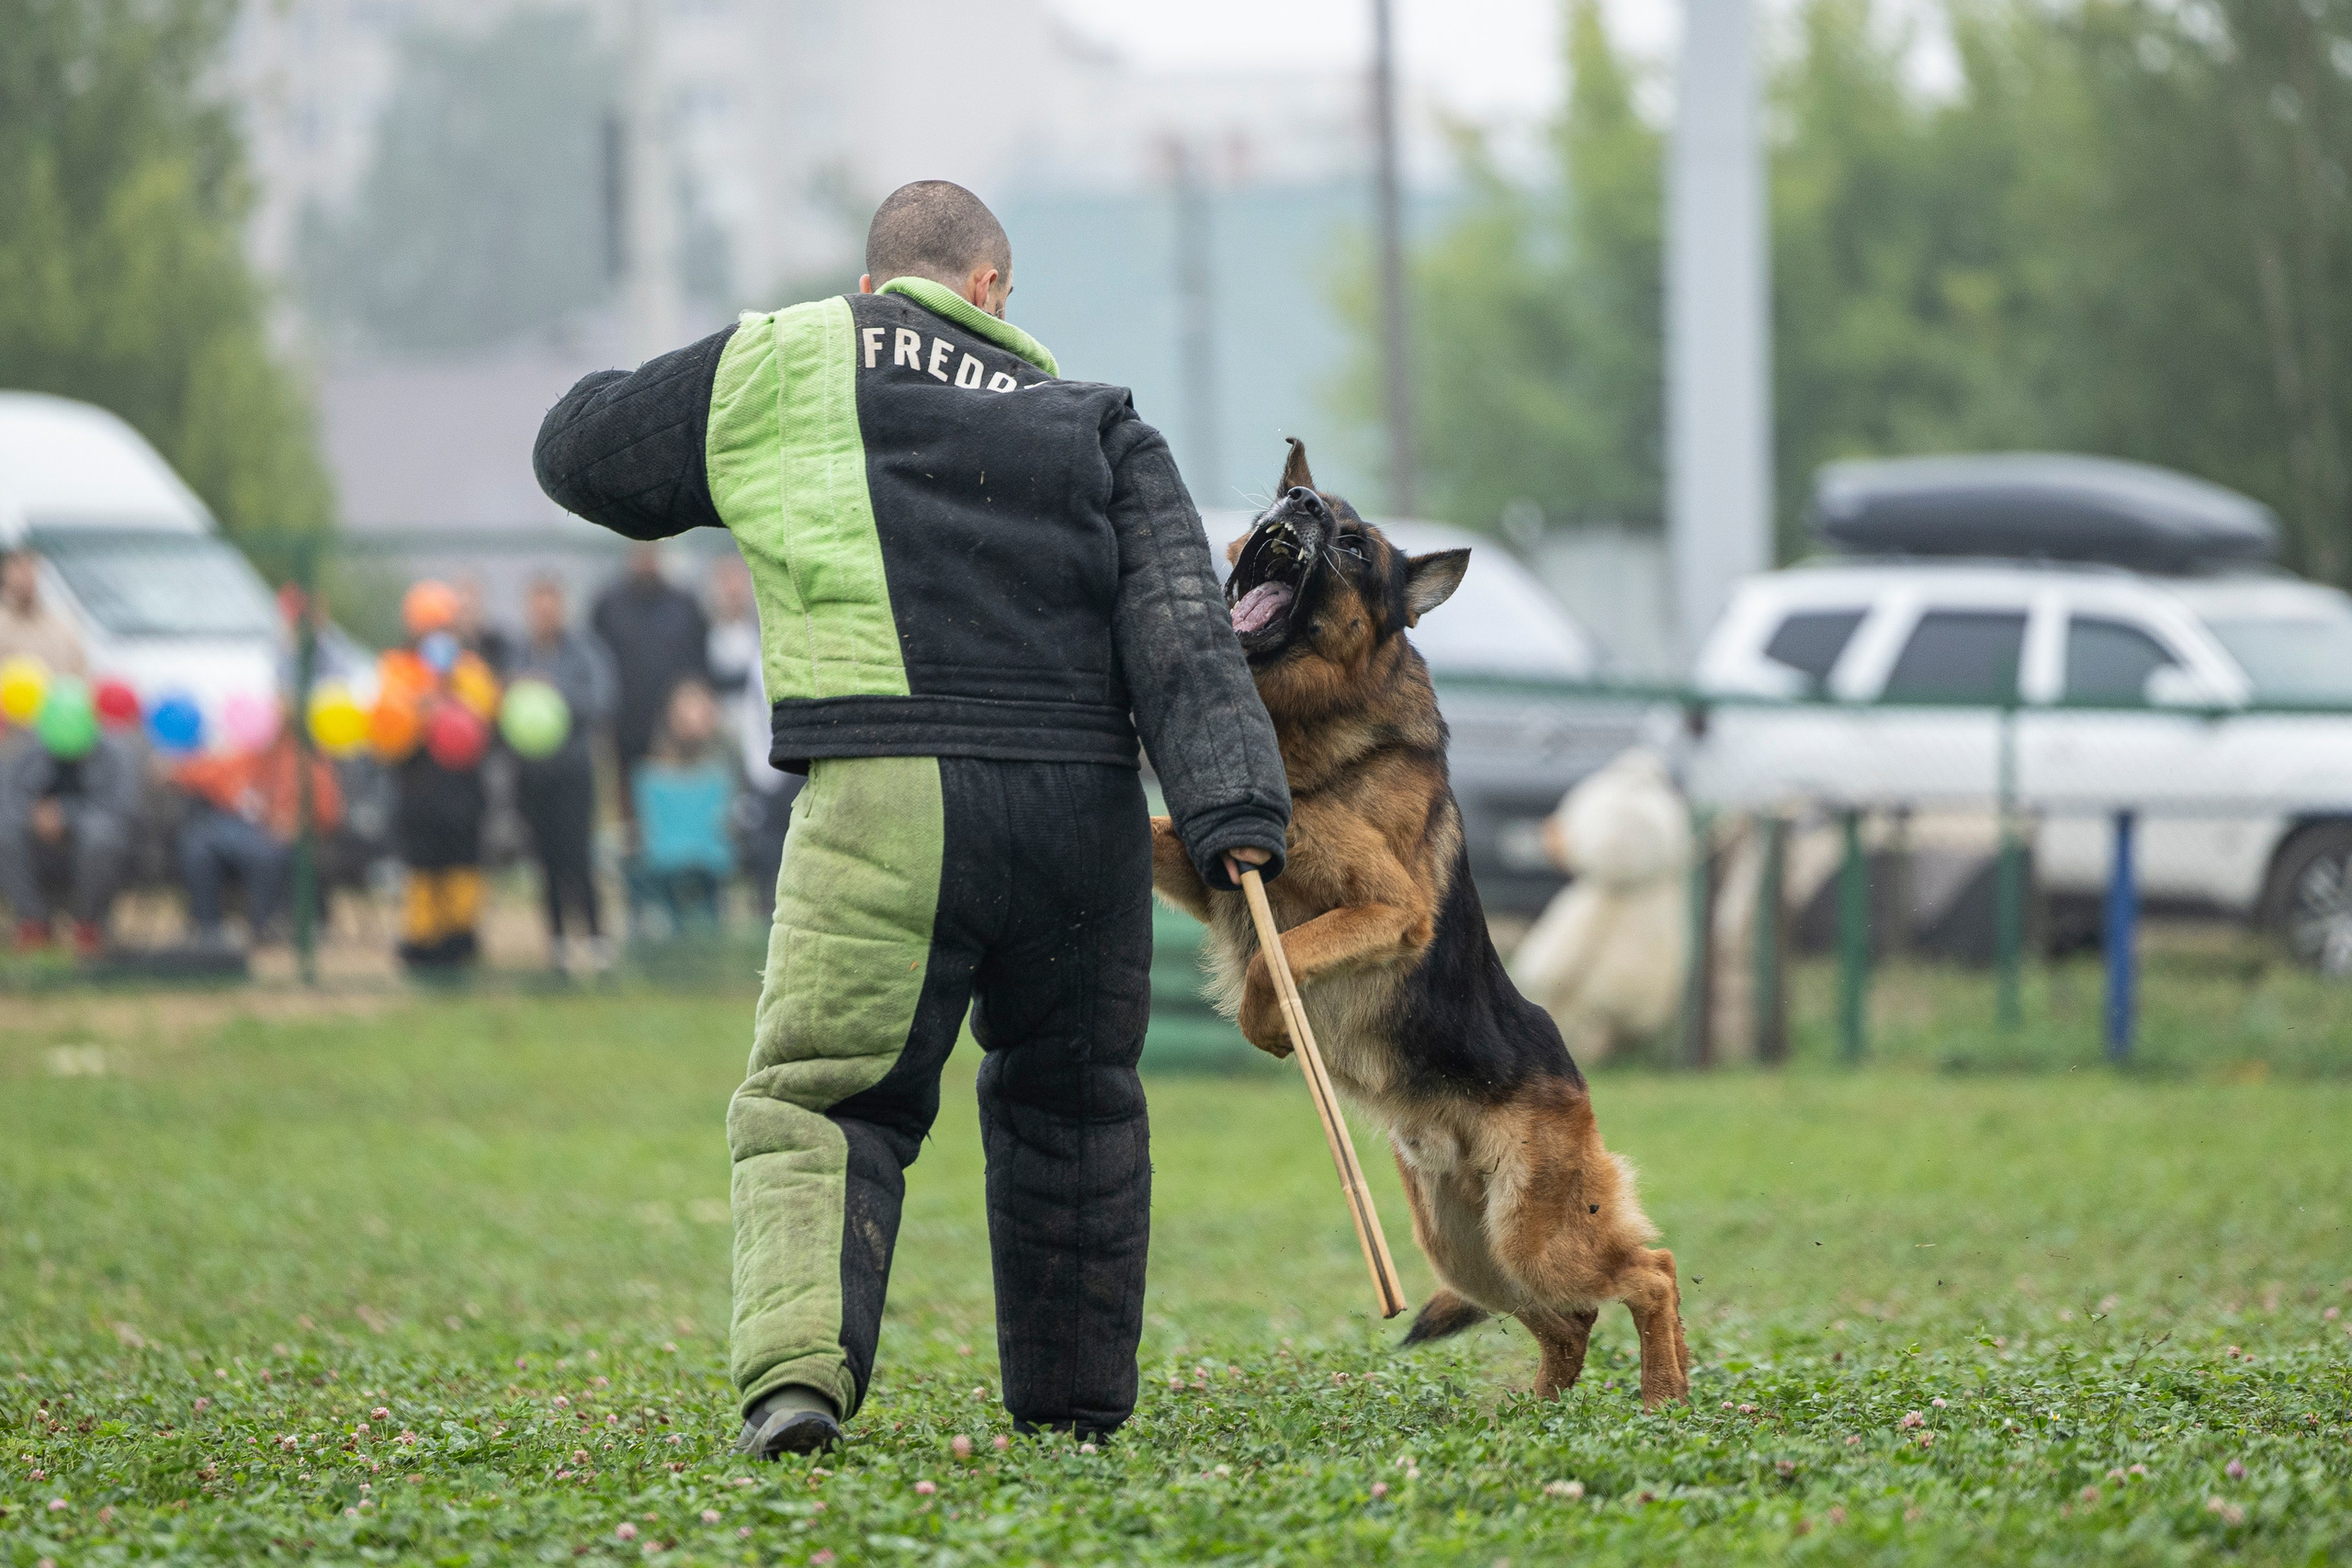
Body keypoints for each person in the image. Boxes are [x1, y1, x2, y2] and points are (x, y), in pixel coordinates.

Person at [536, 179, 1289, 1459]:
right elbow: (1182, 632)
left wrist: (734, 408)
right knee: (1078, 1105)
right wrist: (1235, 812)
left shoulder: (789, 359)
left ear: (874, 285)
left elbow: (578, 450)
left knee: (825, 1098)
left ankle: (797, 1384)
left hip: (886, 788)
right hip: (1081, 813)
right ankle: (1072, 1408)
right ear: (991, 290)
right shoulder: (1101, 422)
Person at [388, 581, 498, 972]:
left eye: (441, 626)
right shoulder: (398, 669)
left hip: (463, 788)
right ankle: (422, 941)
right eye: (426, 626)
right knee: (422, 866)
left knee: (463, 864)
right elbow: (386, 727)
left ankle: (460, 937)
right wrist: (420, 709)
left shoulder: (471, 668)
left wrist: (453, 696)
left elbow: (485, 715)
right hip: (417, 786)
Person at [172, 703, 345, 948]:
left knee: (263, 855)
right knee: (198, 844)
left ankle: (262, 928)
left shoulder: (308, 762)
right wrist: (173, 771)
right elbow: (205, 774)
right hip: (239, 833)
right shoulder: (247, 755)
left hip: (280, 841)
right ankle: (207, 928)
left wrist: (294, 825)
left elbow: (328, 813)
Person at [510, 573, 617, 971]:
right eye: (537, 607)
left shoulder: (584, 651)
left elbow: (601, 700)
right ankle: (556, 943)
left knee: (578, 855)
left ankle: (595, 939)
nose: (544, 615)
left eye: (550, 606)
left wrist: (554, 693)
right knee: (546, 859)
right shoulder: (519, 655)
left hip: (574, 770)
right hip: (532, 775)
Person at [705, 557, 799, 914]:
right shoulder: (703, 638)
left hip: (766, 752)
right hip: (723, 751)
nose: (732, 592)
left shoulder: (766, 636)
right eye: (725, 585)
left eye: (738, 584)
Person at [0, 724, 138, 953]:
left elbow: (121, 811)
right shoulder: (26, 752)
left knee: (102, 839)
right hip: (37, 848)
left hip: (94, 852)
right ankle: (33, 923)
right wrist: (35, 816)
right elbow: (9, 801)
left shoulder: (115, 755)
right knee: (4, 834)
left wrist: (66, 814)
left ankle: (88, 925)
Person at [590, 543, 708, 797]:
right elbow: (597, 662)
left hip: (673, 728)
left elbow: (698, 667)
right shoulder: (608, 605)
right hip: (622, 725)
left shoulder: (684, 604)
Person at [628, 678, 738, 933]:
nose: (692, 721)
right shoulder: (649, 775)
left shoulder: (724, 768)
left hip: (711, 862)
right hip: (663, 862)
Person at [0, 546, 86, 675]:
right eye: (18, 567)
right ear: (5, 574)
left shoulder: (61, 625)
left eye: (30, 567)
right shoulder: (3, 624)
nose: (25, 575)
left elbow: (80, 675)